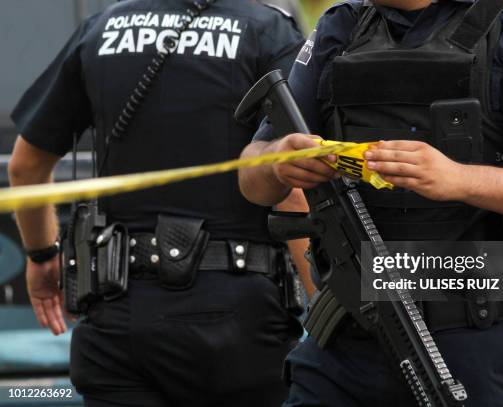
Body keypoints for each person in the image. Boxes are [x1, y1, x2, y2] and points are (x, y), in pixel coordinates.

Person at [238, 0, 503, 406]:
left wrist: (459, 179)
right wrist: (278, 165)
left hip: (478, 343)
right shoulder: (340, 28)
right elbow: (251, 177)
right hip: (347, 342)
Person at [8, 0, 307, 406]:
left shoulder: (102, 30)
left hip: (121, 324)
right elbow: (295, 181)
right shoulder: (267, 31)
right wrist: (327, 317)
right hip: (240, 323)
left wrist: (43, 256)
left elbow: (25, 169)